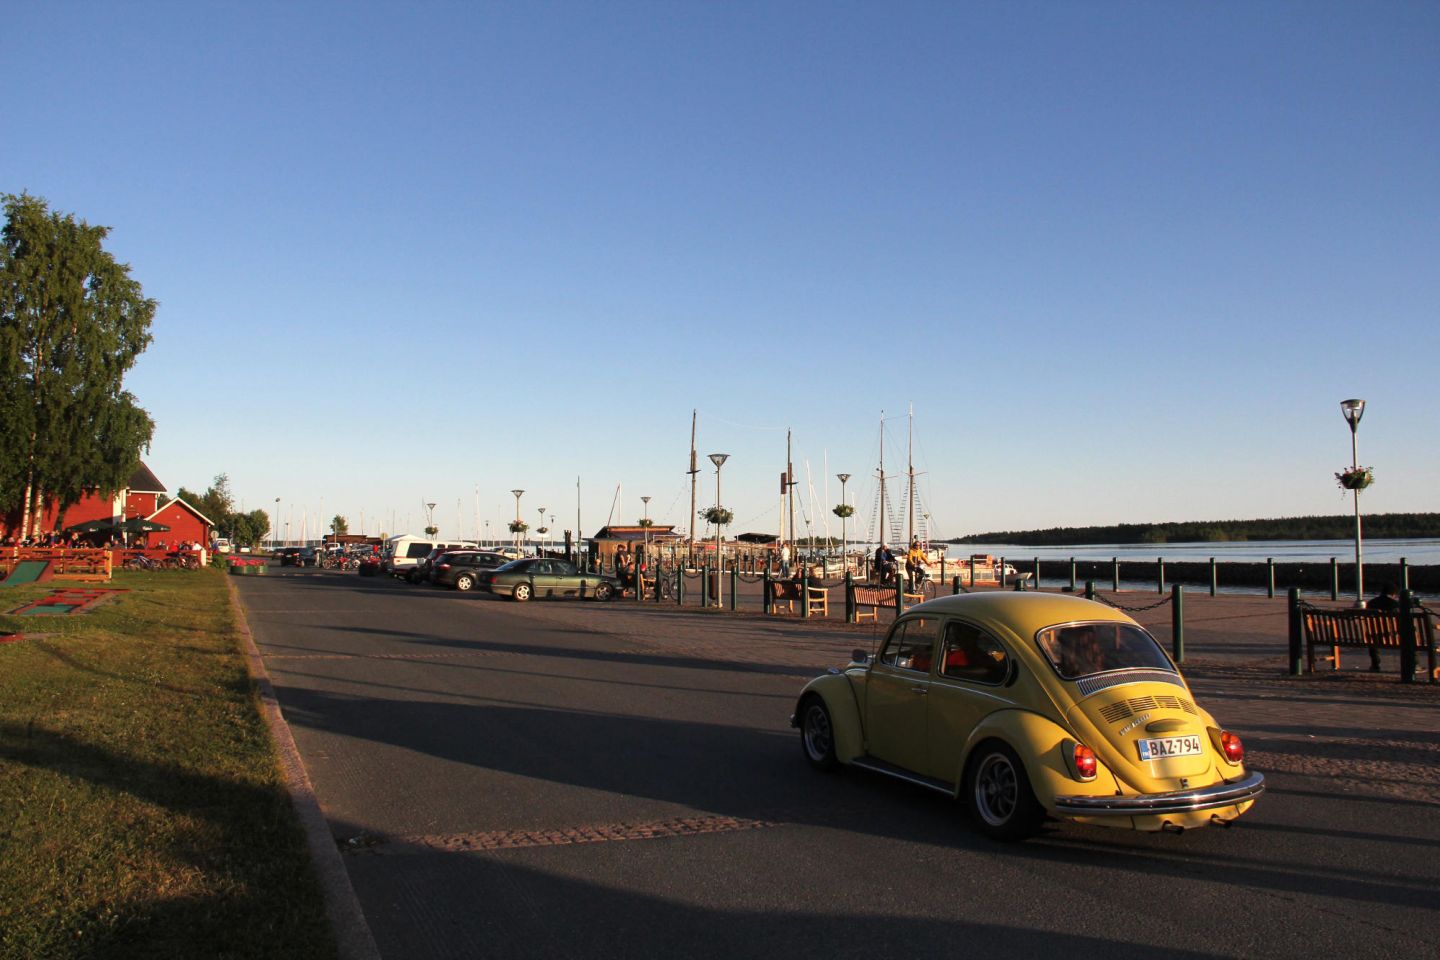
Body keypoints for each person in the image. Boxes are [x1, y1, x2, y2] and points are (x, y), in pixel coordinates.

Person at [1366, 582, 1399, 672]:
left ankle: (1375, 664)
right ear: (1393, 594)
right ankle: (1415, 664)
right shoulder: (1395, 604)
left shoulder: (1371, 603)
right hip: (1393, 637)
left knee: (1371, 633)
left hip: (1373, 636)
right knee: (1411, 634)